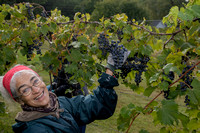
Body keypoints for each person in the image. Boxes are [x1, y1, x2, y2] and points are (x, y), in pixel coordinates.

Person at [2, 50, 130, 133]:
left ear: (41, 80)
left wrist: (110, 69)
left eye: (35, 81)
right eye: (25, 90)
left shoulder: (59, 104)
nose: (36, 90)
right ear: (19, 99)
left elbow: (96, 105)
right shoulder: (34, 129)